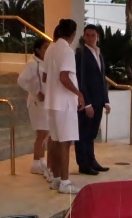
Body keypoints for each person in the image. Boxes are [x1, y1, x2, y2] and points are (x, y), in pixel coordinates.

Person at [43, 19, 83, 194]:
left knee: (55, 140)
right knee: (65, 143)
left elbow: (45, 78)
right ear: (73, 34)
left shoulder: (51, 48)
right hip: (64, 103)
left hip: (52, 102)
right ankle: (65, 182)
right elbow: (64, 77)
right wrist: (79, 93)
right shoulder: (66, 50)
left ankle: (57, 178)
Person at [75, 25, 112, 175]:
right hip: (88, 102)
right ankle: (83, 163)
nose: (90, 38)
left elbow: (102, 79)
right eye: (87, 35)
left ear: (98, 37)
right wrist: (87, 103)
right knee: (83, 133)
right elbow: (81, 79)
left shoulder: (99, 54)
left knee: (92, 134)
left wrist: (106, 100)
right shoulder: (81, 54)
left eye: (93, 35)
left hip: (98, 100)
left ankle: (92, 160)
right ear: (84, 36)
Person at [18, 38, 51, 176]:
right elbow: (21, 80)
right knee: (41, 133)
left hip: (46, 102)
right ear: (37, 49)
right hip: (36, 103)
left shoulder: (47, 63)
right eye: (45, 48)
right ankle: (36, 162)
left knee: (46, 132)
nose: (47, 50)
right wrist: (36, 92)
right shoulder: (32, 64)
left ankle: (41, 159)